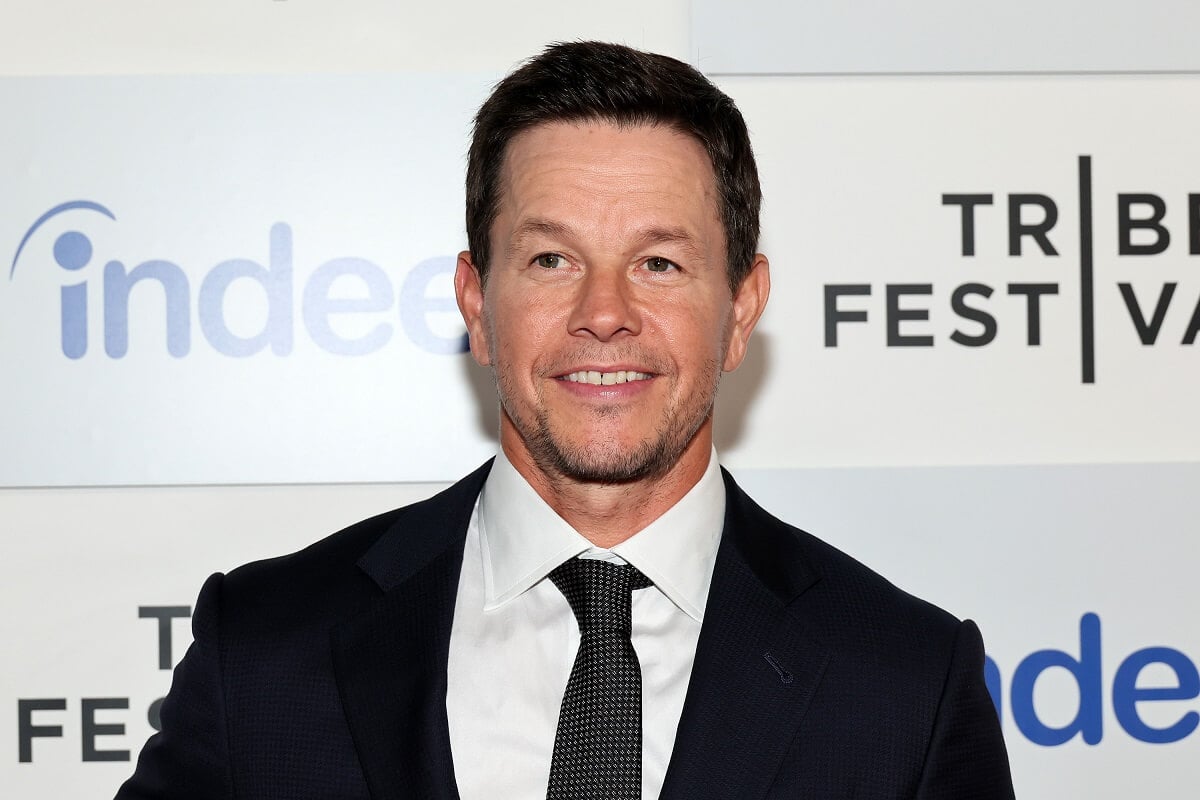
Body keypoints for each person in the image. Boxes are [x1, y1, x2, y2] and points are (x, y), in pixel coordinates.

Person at [117, 41, 1015, 799]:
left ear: (742, 308)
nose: (604, 311)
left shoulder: (905, 688)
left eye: (659, 263)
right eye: (551, 258)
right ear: (476, 303)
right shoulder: (266, 652)